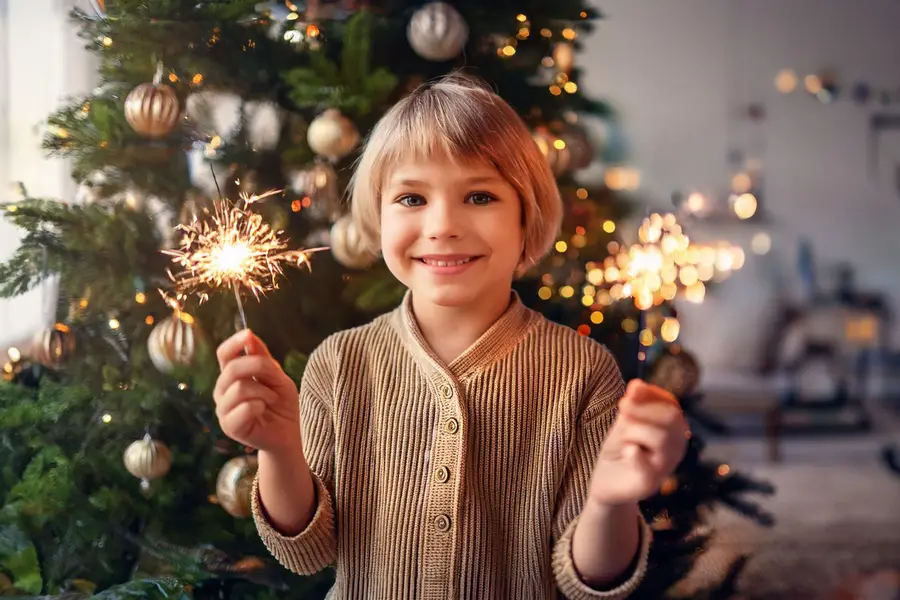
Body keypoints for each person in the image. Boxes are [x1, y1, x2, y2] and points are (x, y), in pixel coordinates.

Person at [213, 73, 689, 599]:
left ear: (525, 219)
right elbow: (307, 551)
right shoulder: (339, 362)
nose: (442, 225)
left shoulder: (582, 371)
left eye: (480, 196)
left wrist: (610, 502)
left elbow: (588, 582)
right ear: (378, 215)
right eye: (412, 198)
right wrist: (280, 450)